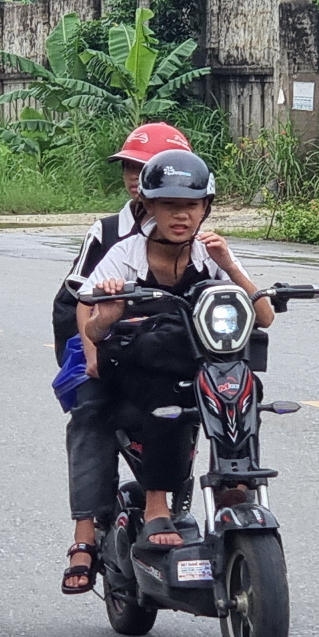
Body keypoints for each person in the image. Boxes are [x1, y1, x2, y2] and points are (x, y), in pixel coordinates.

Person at [80, 149, 275, 551]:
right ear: (148, 205)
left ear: (206, 207)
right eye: (169, 205)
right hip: (138, 366)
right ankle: (156, 507)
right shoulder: (124, 255)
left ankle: (235, 483)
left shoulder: (212, 252)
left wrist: (230, 266)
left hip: (201, 362)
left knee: (243, 385)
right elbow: (93, 328)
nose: (181, 216)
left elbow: (265, 316)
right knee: (165, 395)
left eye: (191, 205)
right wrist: (109, 312)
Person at [56, 122, 191, 594]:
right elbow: (80, 303)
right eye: (129, 168)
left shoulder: (194, 231)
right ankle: (85, 535)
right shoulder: (110, 233)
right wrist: (92, 354)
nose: (134, 177)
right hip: (98, 339)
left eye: (143, 167)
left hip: (168, 351)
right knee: (91, 410)